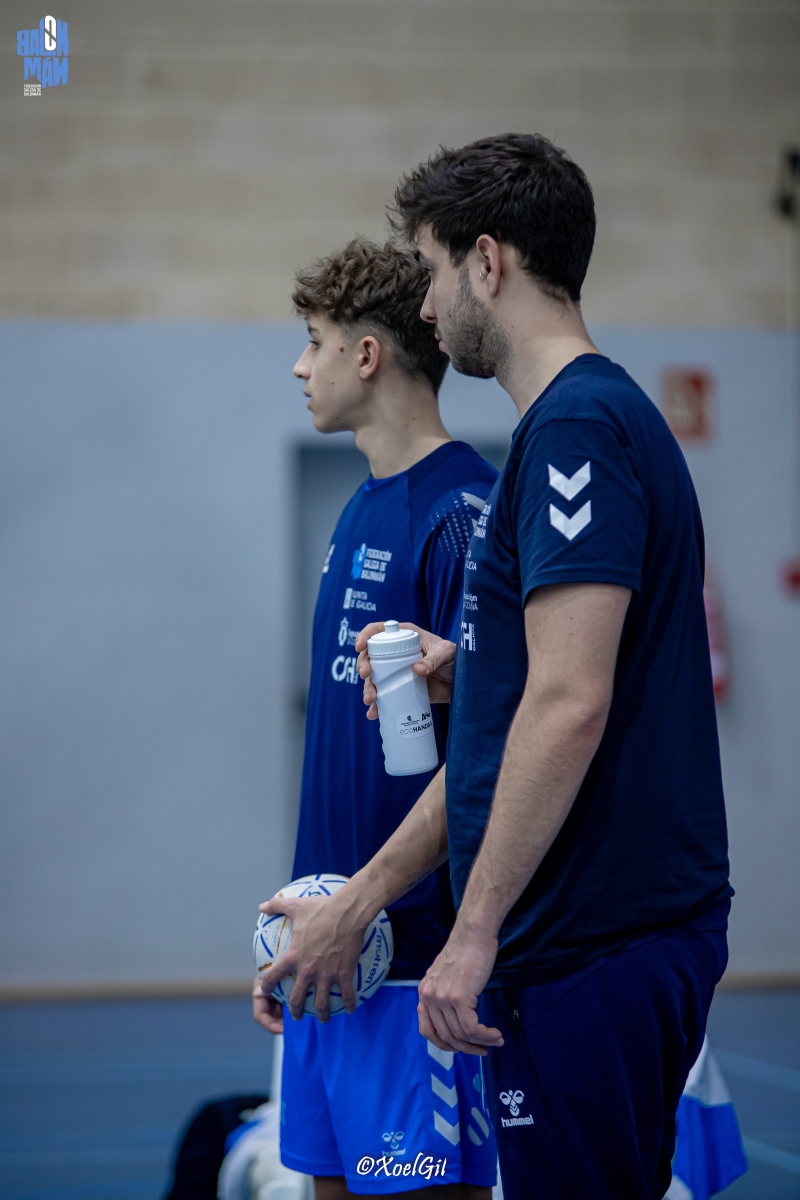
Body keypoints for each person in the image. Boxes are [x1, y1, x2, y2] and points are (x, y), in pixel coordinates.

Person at [259, 136, 733, 1200]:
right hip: (579, 946)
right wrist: (466, 680)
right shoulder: (571, 427)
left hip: (594, 943)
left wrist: (468, 935)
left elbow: (568, 705)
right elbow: (547, 688)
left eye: (432, 271)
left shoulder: (574, 429)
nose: (425, 306)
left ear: (486, 261)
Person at [254, 238, 499, 1199]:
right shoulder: (359, 507)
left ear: (367, 355)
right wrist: (312, 923)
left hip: (415, 969)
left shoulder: (461, 513)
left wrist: (365, 906)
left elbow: (489, 758)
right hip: (331, 954)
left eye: (314, 341)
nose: (299, 365)